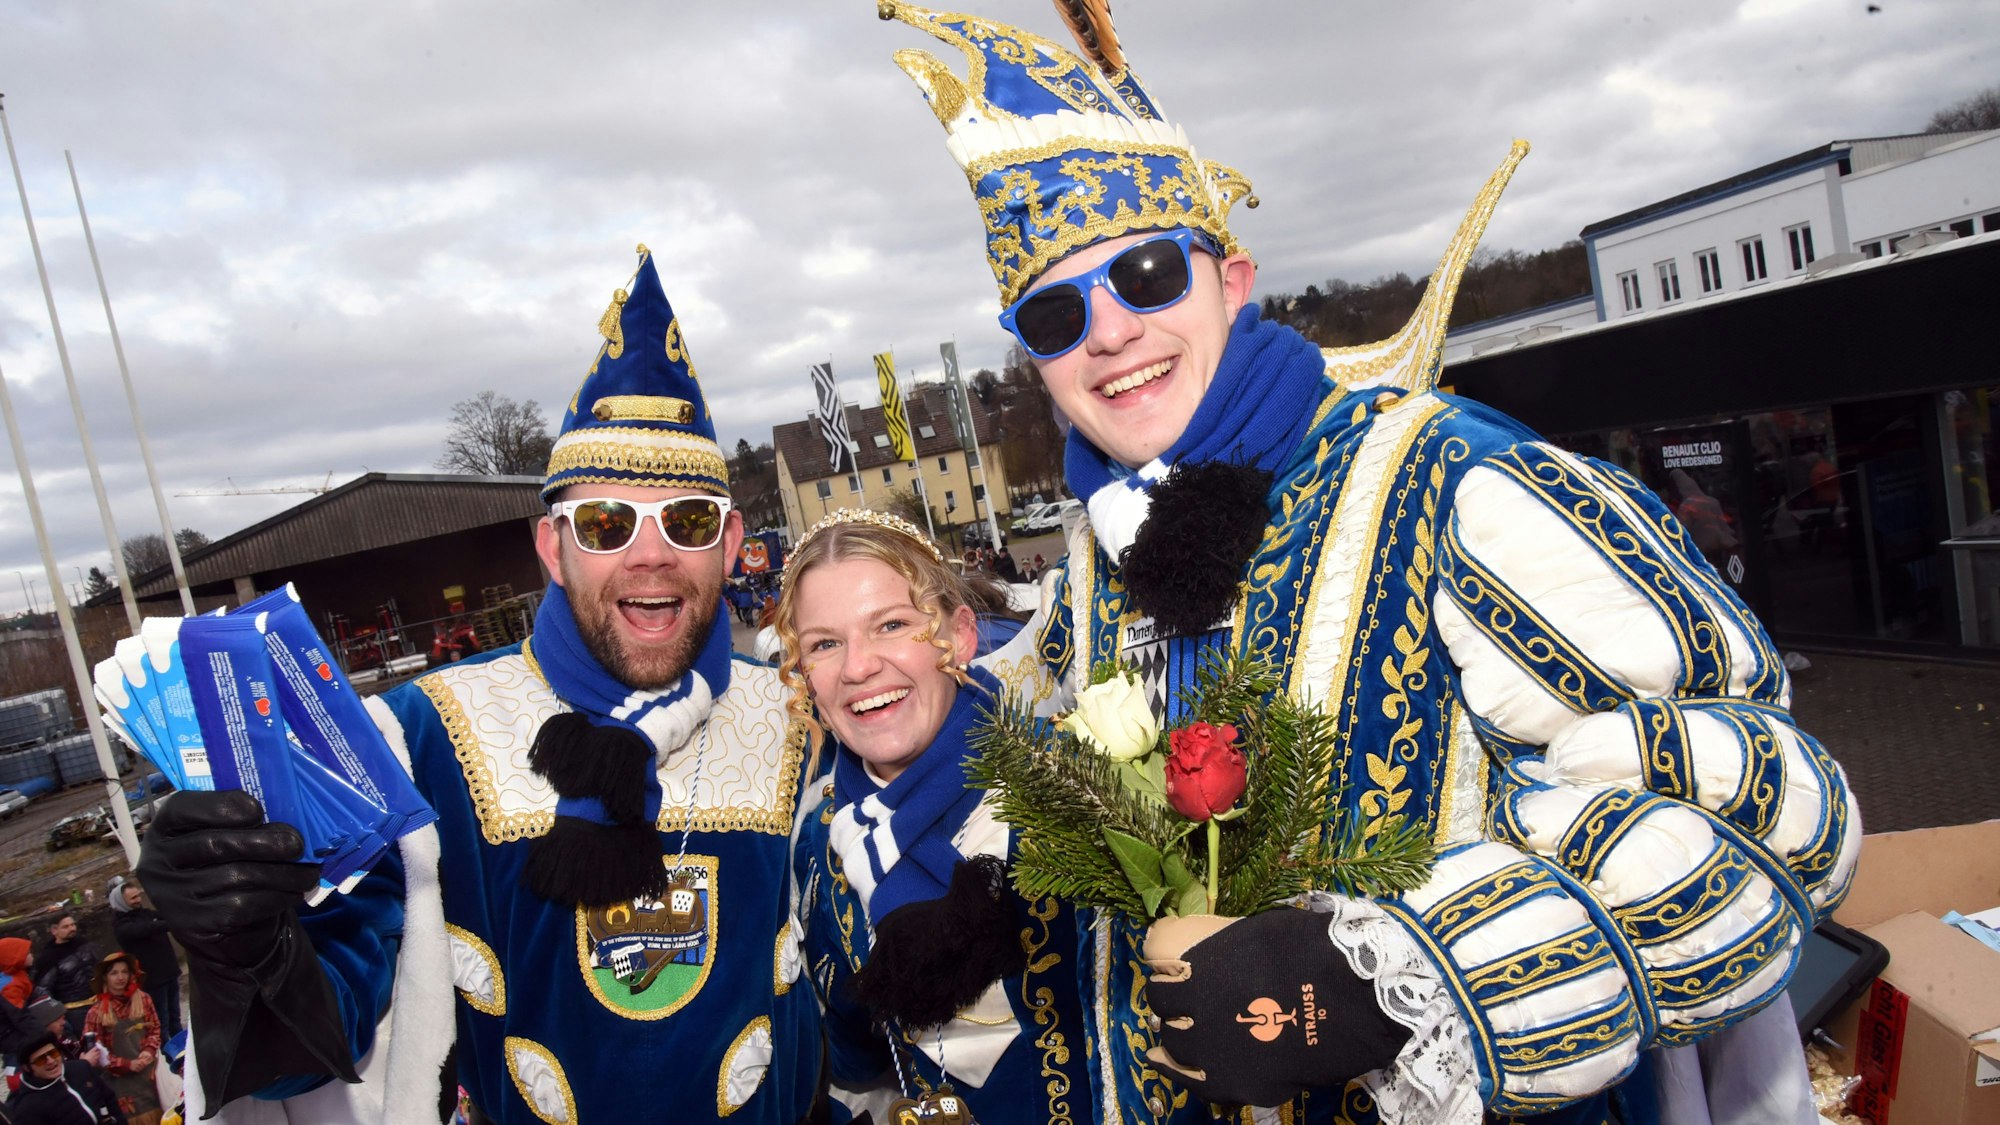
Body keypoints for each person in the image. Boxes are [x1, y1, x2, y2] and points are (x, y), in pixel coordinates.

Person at [878, 4, 1860, 1123]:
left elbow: (1755, 813)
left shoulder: (1452, 482)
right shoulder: (1104, 548)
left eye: (1147, 275)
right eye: (1054, 313)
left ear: (1232, 280)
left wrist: (1389, 989)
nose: (1106, 333)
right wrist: (983, 890)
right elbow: (1068, 739)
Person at [136, 246, 822, 1123]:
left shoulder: (801, 714)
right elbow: (324, 1034)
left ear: (728, 546)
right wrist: (243, 948)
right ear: (551, 549)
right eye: (605, 522)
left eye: (683, 522)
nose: (649, 554)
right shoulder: (424, 735)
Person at [778, 509, 1113, 1124]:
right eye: (825, 644)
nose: (857, 667)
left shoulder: (1073, 777)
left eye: (891, 625)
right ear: (804, 674)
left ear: (958, 635)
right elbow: (855, 1061)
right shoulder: (818, 841)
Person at [81, 954, 161, 1125]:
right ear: (105, 977)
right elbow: (94, 1052)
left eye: (124, 972)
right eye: (114, 973)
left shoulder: (144, 999)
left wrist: (149, 1050)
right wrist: (126, 1064)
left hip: (150, 1074)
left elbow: (154, 1029)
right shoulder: (96, 1012)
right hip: (120, 1083)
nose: (120, 977)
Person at [106, 879, 180, 1042]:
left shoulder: (146, 913)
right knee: (161, 1021)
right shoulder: (122, 926)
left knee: (175, 1016)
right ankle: (166, 1053)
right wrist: (171, 922)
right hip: (153, 979)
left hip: (169, 972)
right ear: (121, 902)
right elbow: (147, 929)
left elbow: (164, 917)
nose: (138, 900)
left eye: (138, 896)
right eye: (132, 898)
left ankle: (182, 1050)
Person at [7, 1032, 126, 1125]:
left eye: (53, 1053)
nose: (51, 1061)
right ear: (27, 1068)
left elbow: (110, 1099)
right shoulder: (27, 1108)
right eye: (41, 1060)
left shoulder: (81, 1068)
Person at [31, 917, 95, 1037]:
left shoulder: (83, 943)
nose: (72, 928)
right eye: (66, 926)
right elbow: (44, 990)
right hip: (74, 1010)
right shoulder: (48, 957)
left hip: (97, 1001)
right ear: (54, 930)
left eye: (73, 925)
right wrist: (57, 1015)